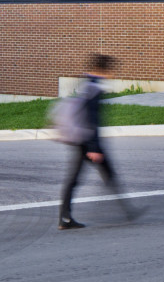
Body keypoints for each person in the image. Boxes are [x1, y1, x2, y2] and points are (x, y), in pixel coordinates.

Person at [55, 53, 136, 230]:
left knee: (78, 178)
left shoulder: (85, 84)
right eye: (111, 70)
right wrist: (94, 148)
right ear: (104, 70)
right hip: (88, 142)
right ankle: (128, 211)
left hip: (80, 140)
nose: (113, 74)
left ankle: (65, 218)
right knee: (105, 174)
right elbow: (92, 120)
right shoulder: (95, 88)